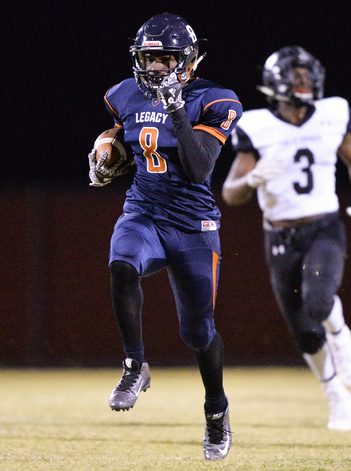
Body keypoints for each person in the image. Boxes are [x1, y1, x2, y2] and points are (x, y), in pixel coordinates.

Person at [87, 13, 242, 461]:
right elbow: (123, 132)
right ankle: (134, 365)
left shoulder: (216, 100)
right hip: (145, 214)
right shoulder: (123, 94)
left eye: (166, 58)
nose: (155, 68)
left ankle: (216, 410)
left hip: (193, 226)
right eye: (149, 58)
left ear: (188, 61)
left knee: (198, 333)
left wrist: (176, 108)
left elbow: (198, 168)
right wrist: (105, 148)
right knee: (121, 264)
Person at [222, 46, 351, 431]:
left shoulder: (332, 114)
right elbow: (230, 193)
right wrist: (252, 179)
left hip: (323, 226)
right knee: (304, 333)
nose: (304, 83)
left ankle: (340, 333)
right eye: (296, 76)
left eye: (308, 76)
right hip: (279, 235)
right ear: (276, 83)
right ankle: (336, 394)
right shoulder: (256, 125)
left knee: (319, 300)